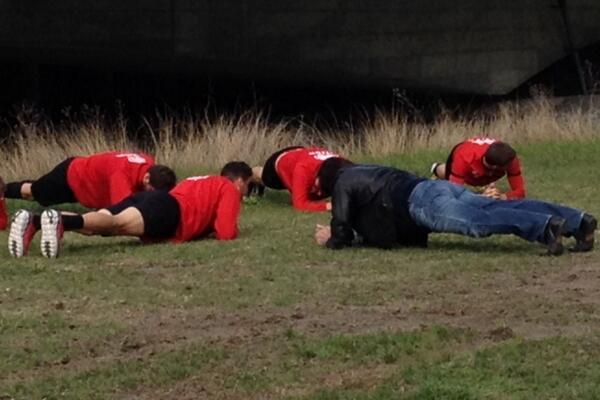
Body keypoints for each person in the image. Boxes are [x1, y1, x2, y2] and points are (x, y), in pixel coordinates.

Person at [314, 164, 596, 256]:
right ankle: (577, 221)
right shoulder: (364, 169)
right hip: (437, 187)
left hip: (421, 202)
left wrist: (333, 238)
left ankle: (546, 227)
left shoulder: (342, 180)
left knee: (480, 221)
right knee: (493, 206)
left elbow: (341, 226)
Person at [8, 161, 252, 258]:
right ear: (239, 180)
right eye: (247, 185)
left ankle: (36, 221)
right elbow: (226, 232)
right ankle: (61, 223)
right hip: (168, 210)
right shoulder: (228, 188)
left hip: (151, 200)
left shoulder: (200, 179)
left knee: (102, 221)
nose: (245, 191)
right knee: (116, 225)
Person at [252, 146, 354, 211]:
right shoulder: (303, 170)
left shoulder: (343, 165)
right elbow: (300, 204)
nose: (319, 193)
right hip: (277, 165)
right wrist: (328, 206)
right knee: (262, 176)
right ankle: (247, 174)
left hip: (301, 153)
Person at [431, 137, 526, 199]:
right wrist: (479, 199)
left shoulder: (510, 159)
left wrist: (503, 197)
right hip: (463, 157)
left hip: (485, 166)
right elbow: (454, 195)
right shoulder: (463, 158)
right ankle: (436, 168)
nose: (514, 165)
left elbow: (521, 192)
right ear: (495, 167)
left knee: (485, 184)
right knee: (447, 178)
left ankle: (488, 186)